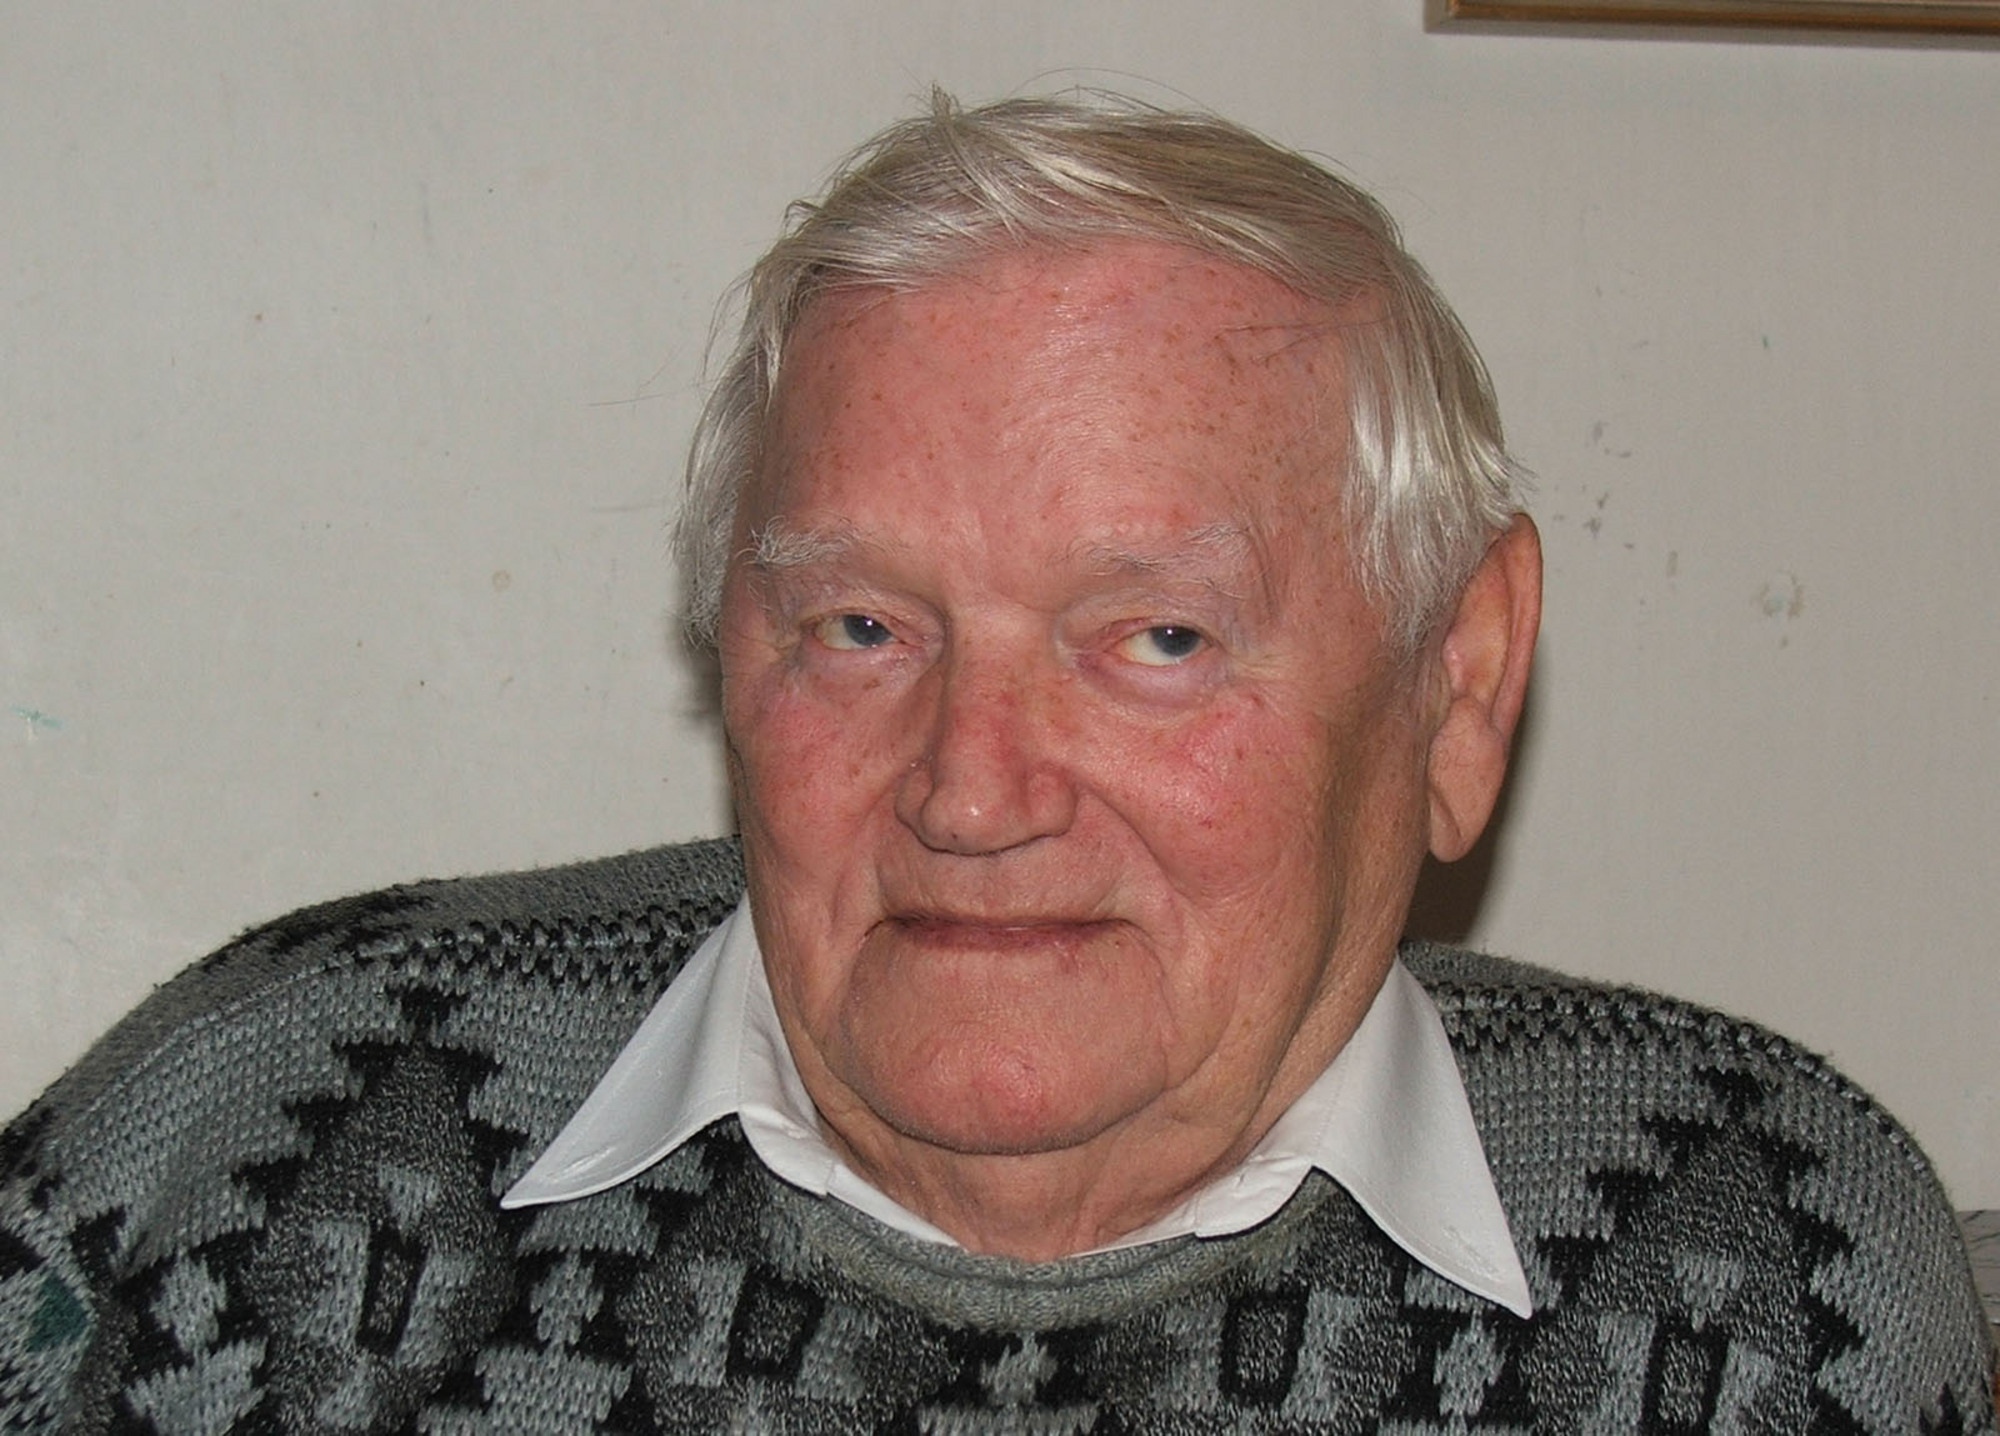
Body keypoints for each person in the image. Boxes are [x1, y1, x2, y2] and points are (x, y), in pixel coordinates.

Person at [1, 92, 1990, 1433]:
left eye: (1155, 640)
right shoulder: (257, 1125)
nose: (972, 792)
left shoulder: (1771, 1261)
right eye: (860, 629)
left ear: (1455, 688)